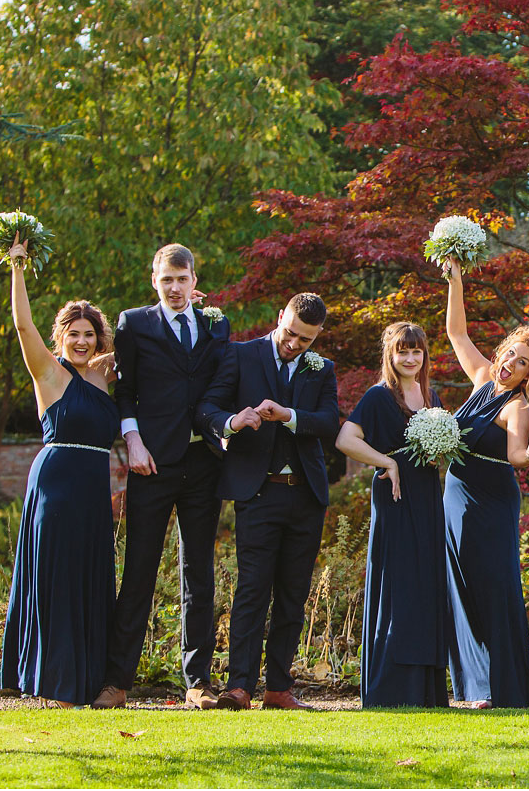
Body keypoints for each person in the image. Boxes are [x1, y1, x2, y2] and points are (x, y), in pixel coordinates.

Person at [94, 244, 230, 711]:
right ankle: (117, 682)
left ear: (195, 281)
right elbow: (125, 391)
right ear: (154, 280)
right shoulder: (134, 324)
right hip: (151, 464)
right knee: (139, 573)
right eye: (166, 280)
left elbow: (222, 384)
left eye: (182, 279)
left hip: (204, 465)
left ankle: (197, 684)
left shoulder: (216, 324)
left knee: (200, 575)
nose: (175, 288)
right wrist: (131, 440)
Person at [198, 292, 340, 711]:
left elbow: (330, 422)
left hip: (306, 496)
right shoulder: (240, 356)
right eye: (291, 333)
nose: (295, 345)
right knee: (252, 590)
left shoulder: (322, 369)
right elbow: (207, 406)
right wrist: (232, 421)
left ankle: (278, 688)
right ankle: (239, 686)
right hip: (257, 493)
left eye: (306, 340)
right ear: (280, 317)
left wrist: (290, 415)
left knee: (293, 594)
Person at [441, 259, 529, 709]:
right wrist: (456, 280)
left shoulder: (518, 406)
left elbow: (515, 455)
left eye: (523, 363)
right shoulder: (481, 379)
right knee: (460, 585)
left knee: (494, 587)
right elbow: (457, 333)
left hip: (491, 502)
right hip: (455, 494)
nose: (512, 363)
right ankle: (473, 689)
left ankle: (504, 688)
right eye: (511, 353)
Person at [0, 238, 118, 708]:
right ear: (62, 337)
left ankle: (87, 681)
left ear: (100, 338)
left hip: (94, 487)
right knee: (59, 576)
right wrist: (17, 267)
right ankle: (55, 684)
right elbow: (22, 324)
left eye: (90, 334)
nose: (83, 341)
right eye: (75, 333)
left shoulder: (107, 376)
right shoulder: (48, 373)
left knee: (89, 578)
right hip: (57, 483)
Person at [335, 322, 450, 708]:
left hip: (428, 496)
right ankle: (392, 685)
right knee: (399, 583)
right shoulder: (378, 396)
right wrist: (387, 462)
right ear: (390, 354)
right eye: (403, 351)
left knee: (425, 582)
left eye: (416, 352)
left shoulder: (429, 393)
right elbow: (345, 439)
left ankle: (424, 688)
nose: (410, 359)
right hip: (395, 495)